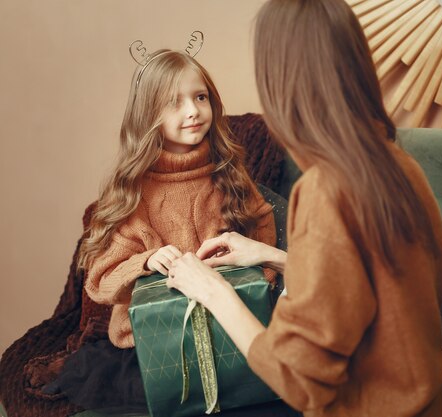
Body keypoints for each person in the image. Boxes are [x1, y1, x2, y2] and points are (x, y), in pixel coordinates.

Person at [166, 1, 442, 416]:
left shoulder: (325, 190)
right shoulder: (400, 165)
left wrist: (211, 290)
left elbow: (297, 376)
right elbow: (394, 291)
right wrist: (274, 257)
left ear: (282, 83)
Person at [47, 49, 284, 413]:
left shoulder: (228, 172)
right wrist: (146, 260)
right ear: (149, 115)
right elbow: (100, 279)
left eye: (200, 97)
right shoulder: (134, 191)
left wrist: (262, 277)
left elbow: (262, 221)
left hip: (230, 331)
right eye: (175, 103)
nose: (192, 111)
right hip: (158, 344)